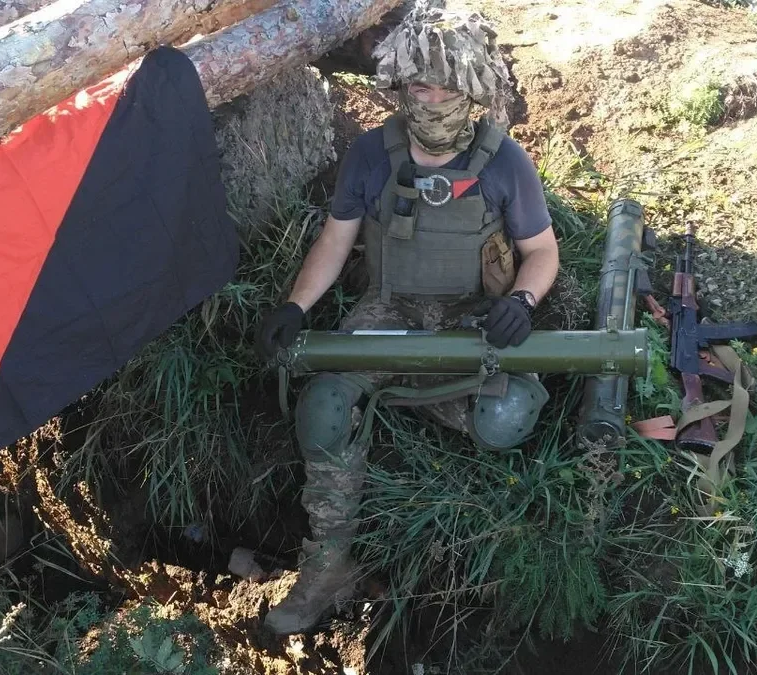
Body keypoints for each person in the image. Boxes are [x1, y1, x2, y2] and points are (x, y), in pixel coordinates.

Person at [253, 2, 561, 635]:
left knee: (507, 418)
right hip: (388, 310)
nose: (434, 100)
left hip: (471, 315)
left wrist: (521, 302)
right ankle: (327, 566)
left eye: (448, 89)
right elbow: (335, 240)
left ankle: (415, 400)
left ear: (474, 89)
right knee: (324, 406)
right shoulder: (372, 154)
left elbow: (542, 252)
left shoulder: (505, 162)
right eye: (421, 87)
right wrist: (295, 305)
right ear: (400, 85)